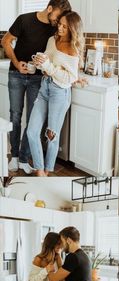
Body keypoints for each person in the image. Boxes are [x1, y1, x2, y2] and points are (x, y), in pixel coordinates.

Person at [1, 0, 72, 175]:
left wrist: (74, 75)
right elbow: (5, 41)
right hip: (16, 74)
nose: (58, 24)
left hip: (38, 79)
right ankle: (15, 157)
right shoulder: (24, 20)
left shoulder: (55, 29)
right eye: (57, 18)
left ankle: (24, 158)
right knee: (15, 116)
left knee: (33, 121)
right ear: (49, 8)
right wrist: (17, 64)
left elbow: (61, 53)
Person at [27, 11, 84, 176]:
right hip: (44, 87)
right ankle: (40, 169)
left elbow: (70, 78)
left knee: (52, 135)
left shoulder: (73, 50)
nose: (60, 27)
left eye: (65, 26)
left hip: (60, 92)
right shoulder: (52, 40)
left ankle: (46, 170)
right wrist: (39, 63)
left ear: (73, 29)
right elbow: (47, 60)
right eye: (60, 24)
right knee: (32, 131)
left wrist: (48, 67)